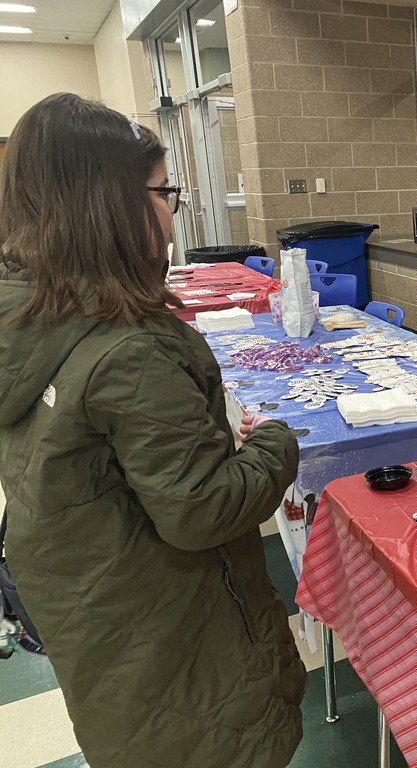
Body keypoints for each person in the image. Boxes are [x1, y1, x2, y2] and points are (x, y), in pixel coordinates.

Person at [0, 93, 305, 767]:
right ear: (110, 204)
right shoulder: (128, 348)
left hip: (110, 632)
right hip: (184, 661)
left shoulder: (30, 323)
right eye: (163, 191)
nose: (170, 211)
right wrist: (276, 443)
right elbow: (204, 508)